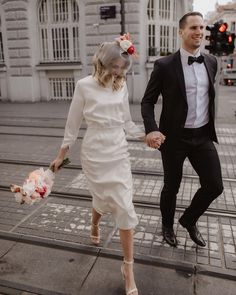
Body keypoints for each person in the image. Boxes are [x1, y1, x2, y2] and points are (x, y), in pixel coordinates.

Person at [50, 34, 144, 295]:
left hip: (118, 150)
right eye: (115, 66)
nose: (118, 72)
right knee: (101, 198)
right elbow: (73, 123)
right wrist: (61, 155)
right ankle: (94, 223)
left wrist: (145, 137)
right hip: (94, 151)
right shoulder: (84, 85)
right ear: (103, 62)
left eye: (122, 67)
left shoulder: (120, 85)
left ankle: (128, 268)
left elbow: (127, 121)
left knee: (124, 206)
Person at [141, 12, 223, 248]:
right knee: (171, 186)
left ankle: (188, 219)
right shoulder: (164, 65)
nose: (199, 32)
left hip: (202, 136)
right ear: (181, 32)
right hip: (174, 138)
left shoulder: (211, 61)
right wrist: (152, 129)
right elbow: (147, 101)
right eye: (194, 28)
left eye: (202, 28)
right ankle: (167, 226)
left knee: (215, 185)